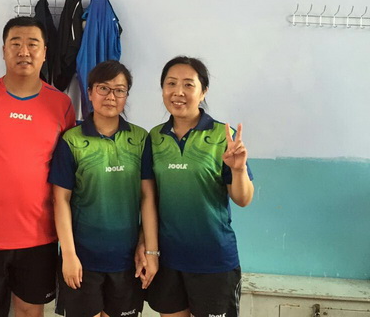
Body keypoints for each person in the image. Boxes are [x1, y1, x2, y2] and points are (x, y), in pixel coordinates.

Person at [0, 16, 76, 317]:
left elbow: (64, 171)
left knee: (30, 311)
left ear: (45, 52)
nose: (24, 51)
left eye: (33, 44)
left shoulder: (61, 105)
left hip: (38, 236)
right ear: (4, 50)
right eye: (15, 44)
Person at [142, 56, 254, 317]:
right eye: (171, 83)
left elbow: (243, 199)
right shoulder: (155, 137)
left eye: (188, 85)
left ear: (203, 91)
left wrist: (238, 170)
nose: (178, 92)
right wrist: (150, 251)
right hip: (169, 260)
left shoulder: (222, 136)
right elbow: (149, 199)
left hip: (214, 260)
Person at [49, 60, 159, 317]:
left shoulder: (140, 139)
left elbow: (148, 197)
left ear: (126, 95)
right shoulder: (72, 140)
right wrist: (69, 255)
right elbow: (60, 200)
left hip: (127, 260)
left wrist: (150, 250)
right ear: (89, 92)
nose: (111, 96)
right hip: (83, 259)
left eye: (119, 90)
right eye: (103, 88)